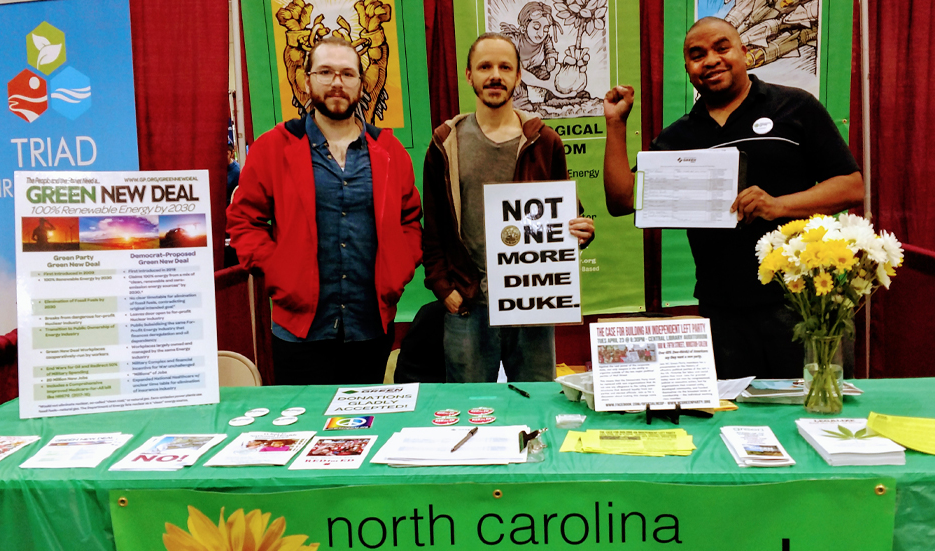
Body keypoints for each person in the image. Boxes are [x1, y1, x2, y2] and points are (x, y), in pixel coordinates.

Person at [602, 16, 863, 379]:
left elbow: (851, 186)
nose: (710, 60)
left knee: (810, 404)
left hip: (800, 303)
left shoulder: (795, 106)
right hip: (722, 312)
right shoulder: (679, 138)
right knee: (732, 411)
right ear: (688, 68)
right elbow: (622, 200)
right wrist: (616, 124)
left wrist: (778, 205)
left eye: (721, 48)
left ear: (743, 52)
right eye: (697, 55)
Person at [227, 35, 422, 385]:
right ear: (307, 81)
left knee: (367, 418)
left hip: (370, 329)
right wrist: (278, 272)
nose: (336, 83)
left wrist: (398, 271)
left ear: (362, 84)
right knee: (303, 419)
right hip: (299, 333)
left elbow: (410, 221)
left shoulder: (390, 152)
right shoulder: (273, 148)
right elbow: (244, 221)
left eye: (347, 74)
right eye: (325, 72)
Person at [422, 32, 594, 383]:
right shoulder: (445, 143)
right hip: (468, 304)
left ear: (518, 76)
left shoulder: (544, 141)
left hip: (531, 302)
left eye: (505, 67)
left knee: (536, 404)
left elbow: (566, 217)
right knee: (471, 406)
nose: (495, 75)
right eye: (485, 66)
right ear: (469, 75)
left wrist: (581, 232)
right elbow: (434, 228)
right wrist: (443, 288)